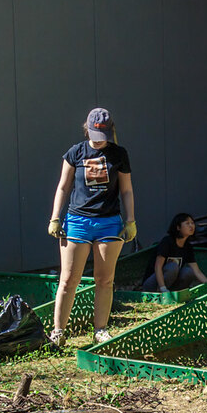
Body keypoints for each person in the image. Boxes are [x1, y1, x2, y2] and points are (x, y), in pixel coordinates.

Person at [48, 107, 135, 346]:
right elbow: (63, 188)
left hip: (109, 223)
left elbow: (126, 191)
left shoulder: (119, 154)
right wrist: (55, 217)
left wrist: (130, 221)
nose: (99, 142)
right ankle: (58, 332)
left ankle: (100, 330)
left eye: (103, 137)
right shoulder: (75, 152)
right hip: (77, 221)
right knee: (68, 280)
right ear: (87, 130)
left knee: (105, 280)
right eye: (95, 137)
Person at [142, 213, 207, 292]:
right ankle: (160, 294)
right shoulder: (167, 242)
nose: (191, 226)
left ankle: (175, 295)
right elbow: (158, 267)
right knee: (173, 267)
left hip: (171, 285)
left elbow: (197, 271)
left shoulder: (188, 247)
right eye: (187, 223)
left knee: (188, 271)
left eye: (192, 223)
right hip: (153, 284)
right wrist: (162, 287)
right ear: (178, 227)